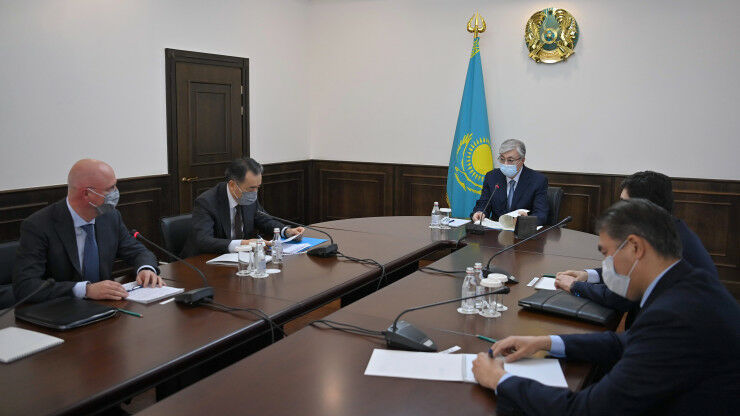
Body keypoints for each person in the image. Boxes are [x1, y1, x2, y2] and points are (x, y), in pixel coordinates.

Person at [472, 199, 740, 415]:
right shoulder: (688, 284)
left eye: (607, 254)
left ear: (635, 247)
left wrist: (500, 380)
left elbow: (588, 409)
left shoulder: (676, 314)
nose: (606, 266)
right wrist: (545, 342)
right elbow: (627, 342)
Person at [554, 171, 717, 327]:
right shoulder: (670, 228)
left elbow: (618, 296)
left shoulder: (660, 245)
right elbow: (627, 271)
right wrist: (589, 275)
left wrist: (575, 286)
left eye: (625, 204)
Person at [13, 159, 162, 302]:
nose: (116, 192)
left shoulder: (110, 217)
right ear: (86, 194)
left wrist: (146, 269)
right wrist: (85, 290)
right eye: (110, 188)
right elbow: (25, 286)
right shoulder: (39, 225)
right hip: (62, 309)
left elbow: (139, 252)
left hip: (107, 306)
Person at [180, 157, 304, 258]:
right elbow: (203, 241)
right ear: (232, 185)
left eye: (258, 187)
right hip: (204, 261)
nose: (255, 192)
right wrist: (244, 243)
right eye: (251, 188)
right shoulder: (207, 202)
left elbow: (265, 220)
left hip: (240, 260)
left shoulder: (248, 199)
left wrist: (286, 231)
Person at [471, 139, 549, 226]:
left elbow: (541, 214)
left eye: (510, 160)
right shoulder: (492, 177)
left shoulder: (537, 180)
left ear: (522, 160)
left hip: (521, 231)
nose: (505, 164)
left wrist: (526, 220)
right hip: (496, 230)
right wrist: (480, 212)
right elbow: (484, 203)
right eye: (502, 159)